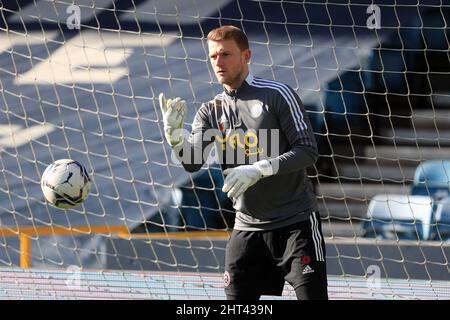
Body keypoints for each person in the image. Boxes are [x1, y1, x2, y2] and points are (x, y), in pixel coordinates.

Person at [158, 25, 328, 300]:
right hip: (247, 227)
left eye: (225, 54)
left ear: (246, 55)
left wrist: (260, 169)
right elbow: (192, 163)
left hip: (295, 224)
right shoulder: (209, 111)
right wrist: (176, 138)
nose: (218, 62)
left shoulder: (277, 95)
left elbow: (308, 151)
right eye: (213, 56)